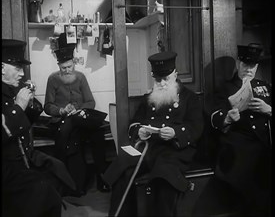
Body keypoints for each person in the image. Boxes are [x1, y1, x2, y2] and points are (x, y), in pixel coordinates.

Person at [103, 51, 204, 216]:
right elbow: (134, 124)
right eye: (158, 79)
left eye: (166, 79)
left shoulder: (189, 98)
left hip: (174, 151)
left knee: (164, 177)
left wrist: (175, 132)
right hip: (149, 148)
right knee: (123, 169)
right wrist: (139, 132)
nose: (162, 83)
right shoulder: (149, 98)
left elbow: (196, 127)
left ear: (175, 74)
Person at [2, 39, 76, 217]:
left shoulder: (11, 89)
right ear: (2, 68)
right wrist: (19, 106)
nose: (22, 73)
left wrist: (31, 101)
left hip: (23, 157)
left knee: (57, 170)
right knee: (44, 193)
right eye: (17, 68)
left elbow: (28, 119)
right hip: (7, 166)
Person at [44, 32, 110, 194]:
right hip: (62, 122)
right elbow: (47, 106)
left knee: (98, 135)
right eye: (63, 68)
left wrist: (80, 111)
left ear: (74, 63)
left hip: (80, 119)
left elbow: (90, 102)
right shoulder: (53, 79)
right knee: (73, 135)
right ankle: (73, 183)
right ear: (58, 67)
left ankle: (102, 178)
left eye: (69, 67)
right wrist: (61, 110)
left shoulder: (80, 77)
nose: (67, 71)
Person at [211, 43, 271, 216]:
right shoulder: (225, 88)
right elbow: (215, 117)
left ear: (257, 66)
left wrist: (268, 110)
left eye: (253, 66)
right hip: (238, 147)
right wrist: (227, 118)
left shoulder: (265, 87)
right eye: (245, 65)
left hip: (264, 145)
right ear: (238, 63)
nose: (249, 70)